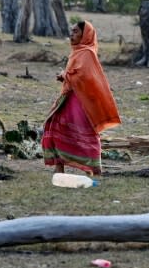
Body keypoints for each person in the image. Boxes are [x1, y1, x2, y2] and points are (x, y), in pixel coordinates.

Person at [42, 20, 121, 177]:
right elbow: (75, 75)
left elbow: (84, 76)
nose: (72, 34)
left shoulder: (87, 53)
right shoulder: (77, 51)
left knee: (85, 134)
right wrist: (65, 77)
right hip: (68, 98)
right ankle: (59, 168)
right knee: (57, 127)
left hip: (82, 102)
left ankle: (94, 169)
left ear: (86, 35)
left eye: (76, 31)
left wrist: (65, 75)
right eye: (71, 31)